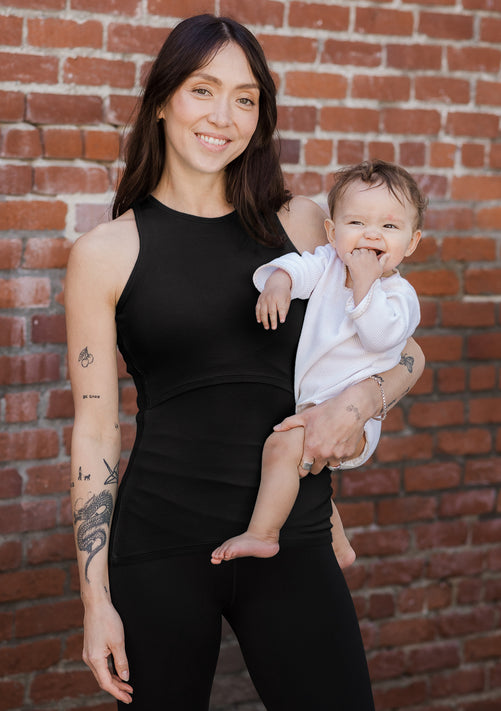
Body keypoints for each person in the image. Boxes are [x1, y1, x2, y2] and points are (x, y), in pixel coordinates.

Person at [65, 14, 425, 711]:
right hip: (159, 543)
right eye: (203, 90)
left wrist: (356, 404)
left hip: (290, 533)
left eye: (245, 97)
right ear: (164, 97)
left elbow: (404, 349)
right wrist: (95, 600)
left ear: (260, 116)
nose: (222, 116)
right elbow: (94, 430)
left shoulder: (303, 222)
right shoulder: (106, 253)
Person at [212, 160, 425, 567]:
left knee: (281, 447)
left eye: (390, 227)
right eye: (357, 222)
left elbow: (384, 338)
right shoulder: (328, 263)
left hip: (356, 417)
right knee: (304, 468)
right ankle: (338, 545)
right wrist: (279, 283)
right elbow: (297, 266)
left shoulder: (399, 295)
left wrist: (364, 285)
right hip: (313, 402)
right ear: (332, 232)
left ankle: (263, 533)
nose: (372, 235)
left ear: (412, 243)